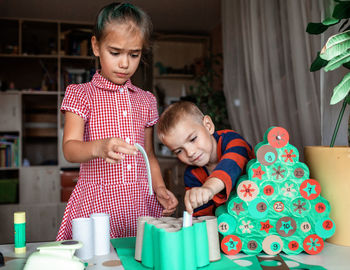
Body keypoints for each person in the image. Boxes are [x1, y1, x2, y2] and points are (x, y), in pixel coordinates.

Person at [57, 2, 178, 240]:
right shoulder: (81, 94)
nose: (125, 63)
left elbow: (149, 155)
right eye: (115, 53)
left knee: (139, 258)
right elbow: (70, 149)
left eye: (134, 54)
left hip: (138, 204)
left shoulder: (146, 100)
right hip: (96, 205)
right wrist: (98, 147)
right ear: (96, 46)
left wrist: (160, 188)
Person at [157, 101, 254, 216]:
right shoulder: (192, 174)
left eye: (192, 139)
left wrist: (208, 188)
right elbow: (204, 217)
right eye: (179, 151)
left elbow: (230, 165)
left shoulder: (233, 142)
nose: (190, 152)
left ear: (208, 125)